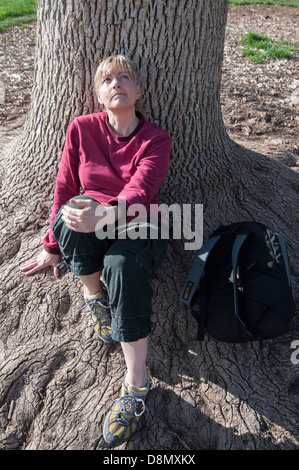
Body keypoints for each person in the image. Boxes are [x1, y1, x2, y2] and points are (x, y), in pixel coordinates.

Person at [20, 55, 172, 446]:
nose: (117, 83)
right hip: (90, 219)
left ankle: (136, 386)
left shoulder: (156, 138)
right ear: (98, 94)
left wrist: (104, 215)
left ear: (139, 91)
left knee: (122, 265)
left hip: (139, 222)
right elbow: (65, 185)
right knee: (71, 211)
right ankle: (93, 295)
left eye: (126, 78)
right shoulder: (82, 129)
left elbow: (141, 193)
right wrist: (53, 246)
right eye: (107, 79)